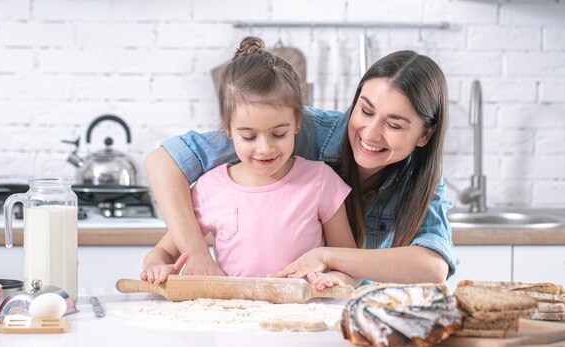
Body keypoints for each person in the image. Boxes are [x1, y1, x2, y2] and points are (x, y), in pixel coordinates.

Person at [143, 47, 455, 286]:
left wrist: (328, 258)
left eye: (394, 125)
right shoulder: (288, 129)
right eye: (365, 110)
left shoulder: (420, 178)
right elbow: (162, 160)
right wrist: (196, 254)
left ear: (425, 134)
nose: (370, 134)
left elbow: (434, 267)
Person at [141, 37, 358, 288]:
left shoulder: (321, 181)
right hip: (233, 318)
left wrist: (336, 279)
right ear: (229, 129)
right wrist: (155, 267)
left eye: (278, 134)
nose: (264, 148)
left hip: (301, 318)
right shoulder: (210, 188)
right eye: (249, 136)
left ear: (298, 121)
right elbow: (161, 254)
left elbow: (349, 263)